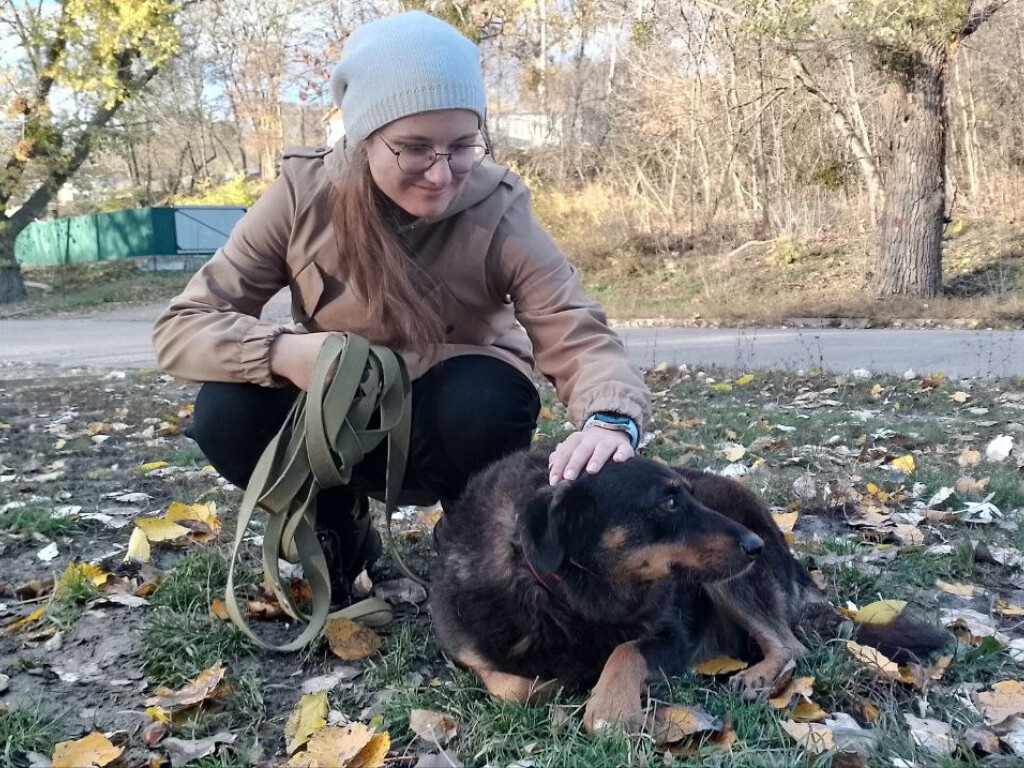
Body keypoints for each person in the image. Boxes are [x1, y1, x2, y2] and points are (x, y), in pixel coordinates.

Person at [152, 10, 651, 601]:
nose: (442, 175)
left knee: (487, 396)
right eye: (414, 148)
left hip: (451, 423)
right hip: (338, 421)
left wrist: (610, 416)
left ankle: (469, 535)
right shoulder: (300, 197)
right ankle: (337, 529)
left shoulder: (500, 206)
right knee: (226, 409)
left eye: (462, 146)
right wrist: (284, 351)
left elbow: (574, 327)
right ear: (366, 137)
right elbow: (180, 327)